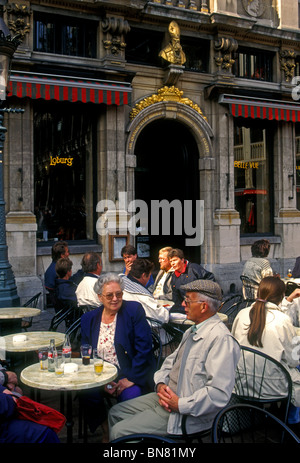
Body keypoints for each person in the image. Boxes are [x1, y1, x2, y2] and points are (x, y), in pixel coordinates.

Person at [108, 279, 240, 441]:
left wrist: (180, 404)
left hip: (186, 414)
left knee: (119, 432)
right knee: (115, 413)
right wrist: (161, 384)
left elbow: (218, 394)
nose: (183, 305)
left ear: (204, 306)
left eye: (187, 301)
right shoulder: (192, 331)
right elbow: (169, 364)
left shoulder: (220, 339)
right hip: (168, 398)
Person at [80, 273, 155, 442]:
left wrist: (131, 378)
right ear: (100, 297)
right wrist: (102, 381)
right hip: (100, 374)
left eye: (119, 294)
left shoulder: (133, 311)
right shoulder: (89, 319)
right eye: (109, 295)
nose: (115, 298)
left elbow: (144, 349)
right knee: (87, 392)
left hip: (129, 372)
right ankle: (107, 429)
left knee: (131, 396)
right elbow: (87, 353)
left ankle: (128, 437)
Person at [231, 276, 300, 434]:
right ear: (281, 297)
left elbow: (233, 348)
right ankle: (292, 423)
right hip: (273, 387)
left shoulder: (242, 314)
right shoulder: (282, 320)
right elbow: (292, 359)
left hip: (241, 383)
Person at [121, 258, 170, 324]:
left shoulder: (118, 282)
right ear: (144, 275)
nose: (149, 278)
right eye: (149, 276)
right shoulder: (143, 297)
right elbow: (162, 317)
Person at [168, 248, 215, 313]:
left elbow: (210, 279)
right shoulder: (174, 276)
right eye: (171, 261)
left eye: (175, 260)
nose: (172, 263)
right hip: (187, 307)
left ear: (182, 260)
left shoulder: (194, 268)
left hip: (202, 304)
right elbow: (176, 297)